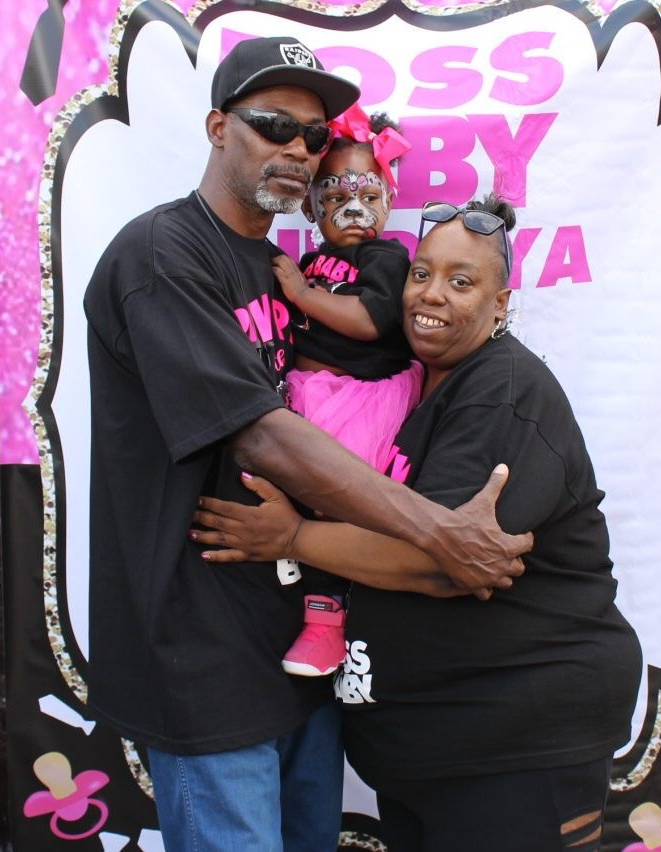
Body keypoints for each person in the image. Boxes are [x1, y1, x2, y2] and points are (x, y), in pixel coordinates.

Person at [84, 34, 531, 852]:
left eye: (314, 135)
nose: (297, 148)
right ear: (218, 128)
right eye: (273, 125)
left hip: (294, 643)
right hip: (202, 652)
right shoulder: (161, 256)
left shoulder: (279, 268)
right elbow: (261, 434)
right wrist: (438, 533)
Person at [192, 196, 643, 851]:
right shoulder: (412, 384)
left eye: (461, 282)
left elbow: (440, 561)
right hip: (431, 749)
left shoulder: (501, 392)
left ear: (499, 305)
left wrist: (292, 538)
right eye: (421, 273)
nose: (431, 294)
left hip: (512, 745)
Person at [272, 104, 421, 677]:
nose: (354, 210)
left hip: (359, 404)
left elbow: (371, 321)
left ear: (388, 200)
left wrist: (301, 295)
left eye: (368, 195)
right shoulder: (314, 260)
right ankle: (291, 553)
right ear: (311, 205)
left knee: (335, 507)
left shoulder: (386, 257)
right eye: (335, 196)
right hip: (309, 397)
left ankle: (326, 625)